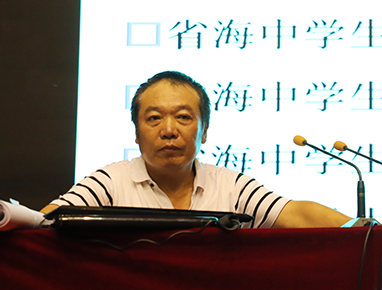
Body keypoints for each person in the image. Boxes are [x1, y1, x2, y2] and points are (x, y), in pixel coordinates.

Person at [42, 71, 351, 228]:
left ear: (204, 131)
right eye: (154, 118)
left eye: (183, 117)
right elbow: (44, 222)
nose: (168, 130)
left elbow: (293, 213)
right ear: (136, 132)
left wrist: (365, 229)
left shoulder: (232, 187)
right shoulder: (108, 183)